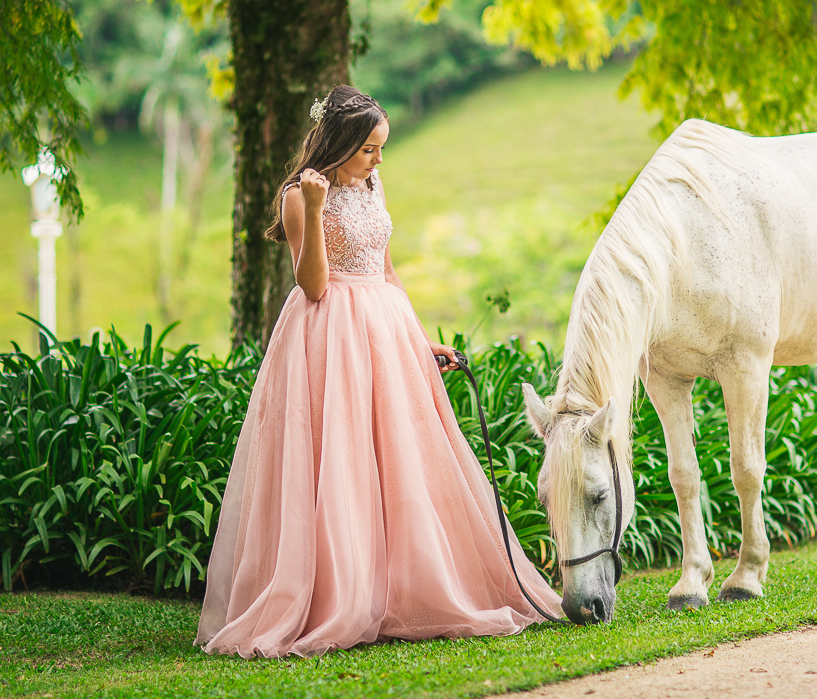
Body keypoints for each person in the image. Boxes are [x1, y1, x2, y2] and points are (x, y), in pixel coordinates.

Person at [196, 86, 560, 658]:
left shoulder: (372, 185)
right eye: (368, 149)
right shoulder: (298, 195)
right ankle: (339, 595)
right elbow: (313, 284)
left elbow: (387, 271)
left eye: (381, 148)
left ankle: (402, 590)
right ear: (338, 144)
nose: (377, 159)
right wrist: (316, 210)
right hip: (330, 335)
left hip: (385, 330)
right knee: (340, 463)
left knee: (398, 460)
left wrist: (419, 343)